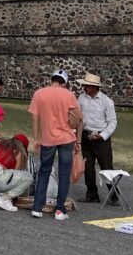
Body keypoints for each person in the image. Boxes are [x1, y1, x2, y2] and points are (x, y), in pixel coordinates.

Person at [29, 70, 82, 221]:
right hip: (66, 138)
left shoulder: (39, 94)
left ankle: (37, 208)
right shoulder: (68, 94)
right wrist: (78, 141)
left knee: (44, 171)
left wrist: (36, 138)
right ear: (64, 82)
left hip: (47, 138)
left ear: (51, 79)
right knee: (64, 173)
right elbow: (78, 116)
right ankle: (59, 210)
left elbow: (34, 117)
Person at [76, 72, 118, 205]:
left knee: (106, 167)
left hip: (101, 139)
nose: (84, 88)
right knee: (88, 167)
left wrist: (103, 135)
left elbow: (112, 122)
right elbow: (78, 116)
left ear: (94, 87)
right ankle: (92, 194)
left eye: (87, 86)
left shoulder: (107, 101)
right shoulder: (81, 98)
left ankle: (114, 196)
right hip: (86, 136)